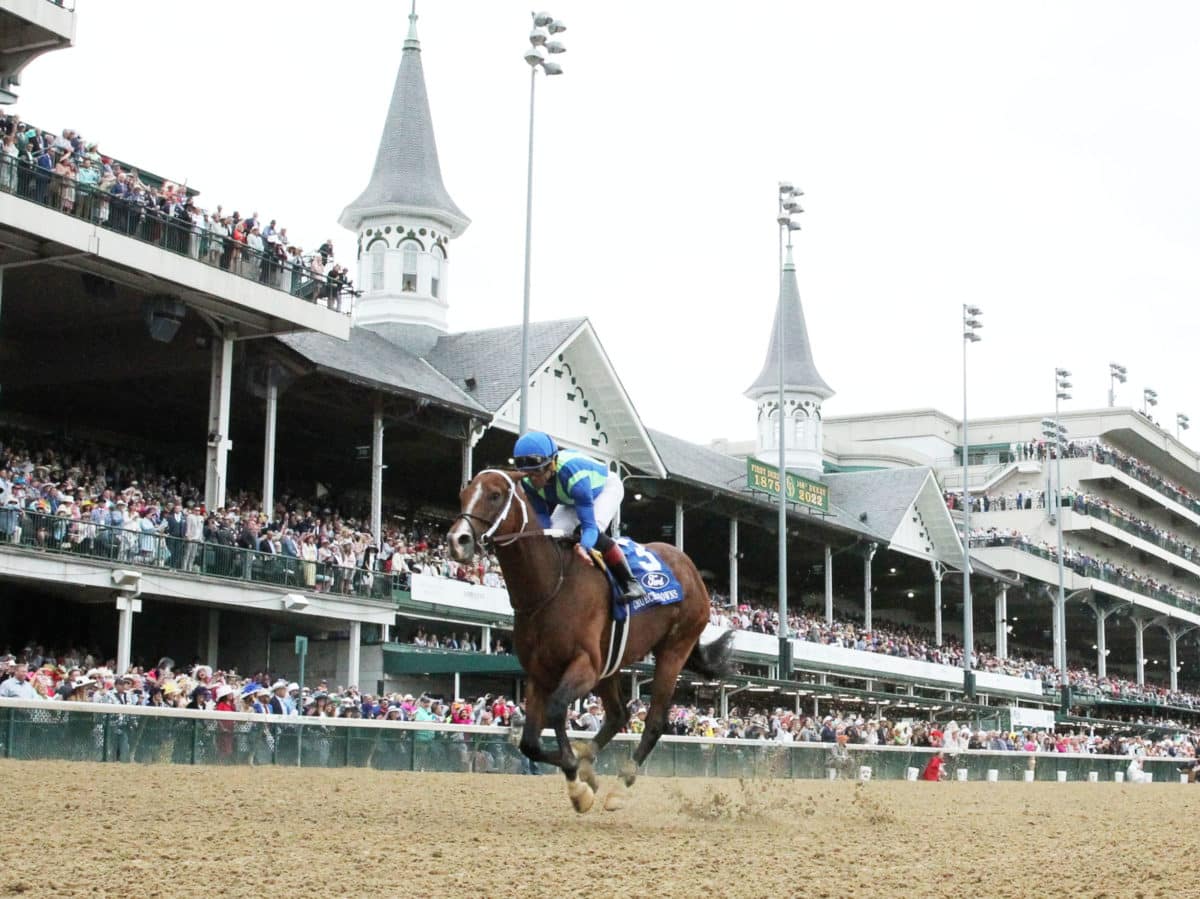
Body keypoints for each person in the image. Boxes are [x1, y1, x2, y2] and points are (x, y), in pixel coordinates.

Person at [510, 431, 644, 604]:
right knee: (552, 536)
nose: (533, 480)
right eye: (528, 474)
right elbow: (542, 516)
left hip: (604, 488)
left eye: (537, 472)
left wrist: (584, 545)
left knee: (587, 532)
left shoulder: (574, 477)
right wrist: (544, 535)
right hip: (570, 496)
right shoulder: (528, 483)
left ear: (552, 464)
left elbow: (588, 527)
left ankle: (630, 582)